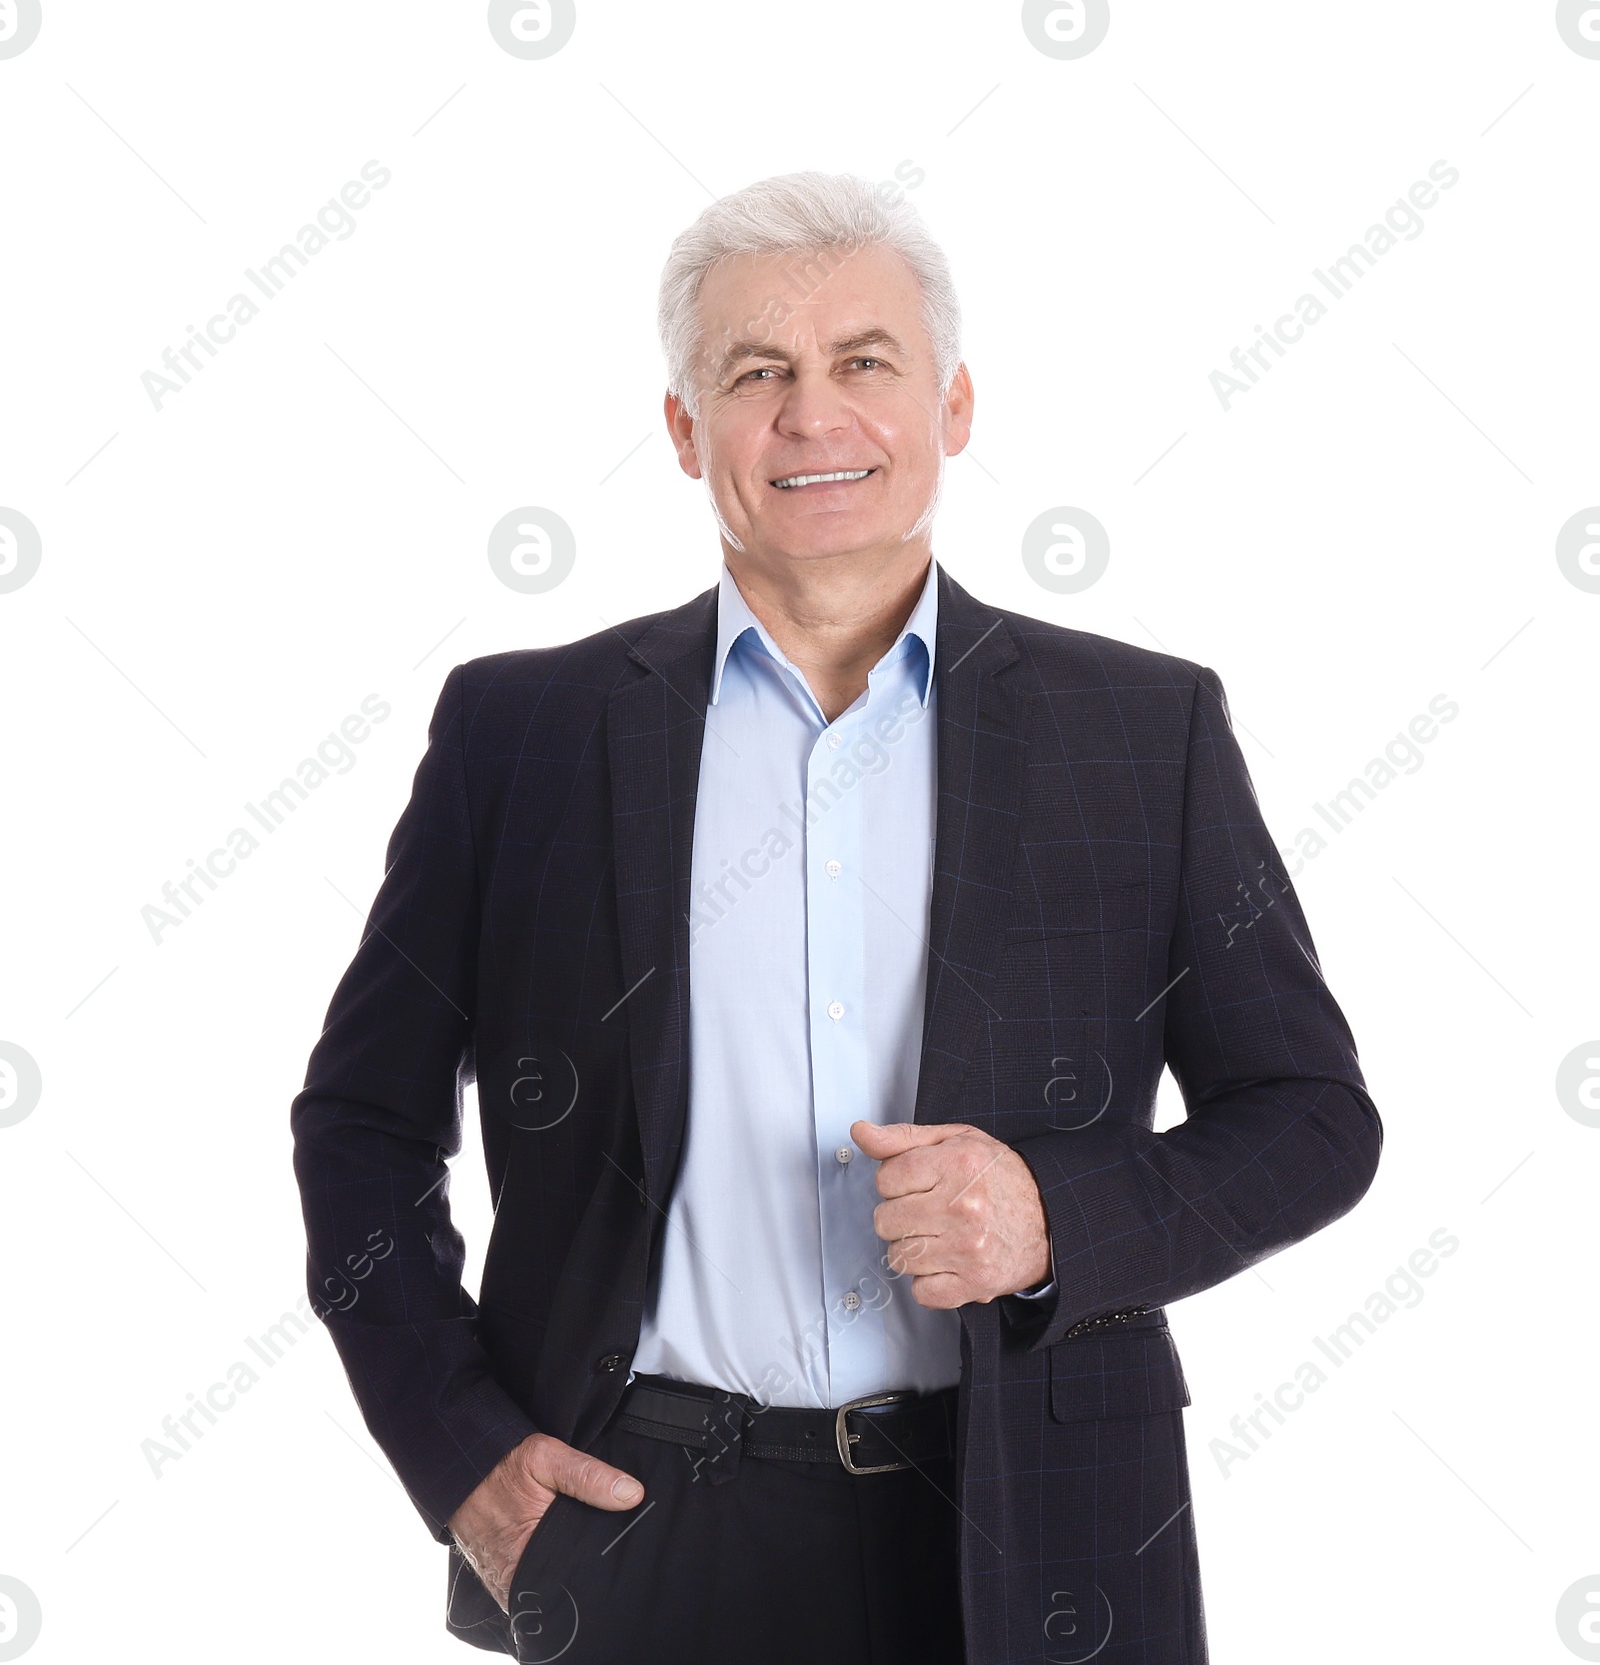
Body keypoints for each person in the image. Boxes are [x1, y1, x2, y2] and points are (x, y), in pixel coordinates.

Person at [290, 170, 1381, 1665]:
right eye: (758, 374)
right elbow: (361, 1124)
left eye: (865, 363)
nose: (814, 418)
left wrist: (1056, 1217)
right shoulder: (520, 732)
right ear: (686, 430)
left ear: (954, 404)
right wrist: (459, 1451)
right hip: (632, 1527)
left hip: (1037, 1519)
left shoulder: (1144, 728)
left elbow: (1313, 1116)